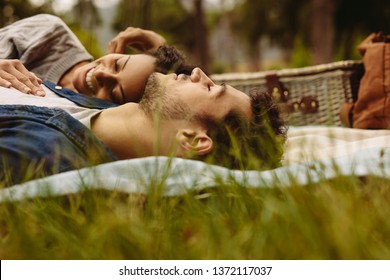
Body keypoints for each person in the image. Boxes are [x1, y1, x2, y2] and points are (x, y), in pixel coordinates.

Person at [0, 67, 286, 187]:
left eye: (211, 90)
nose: (199, 72)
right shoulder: (93, 106)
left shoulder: (43, 153)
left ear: (195, 139)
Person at [0, 14, 189, 104]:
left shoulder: (82, 120)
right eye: (117, 64)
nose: (102, 75)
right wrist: (162, 52)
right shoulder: (49, 33)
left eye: (115, 93)